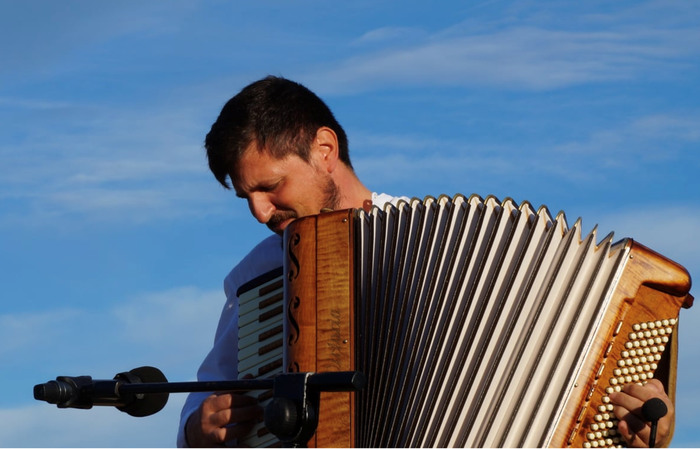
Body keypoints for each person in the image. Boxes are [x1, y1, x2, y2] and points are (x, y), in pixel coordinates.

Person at [177, 75, 674, 448]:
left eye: (270, 186)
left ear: (324, 150)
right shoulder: (258, 274)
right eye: (246, 196)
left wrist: (641, 420)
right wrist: (203, 427)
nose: (260, 212)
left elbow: (596, 391)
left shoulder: (467, 242)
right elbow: (199, 411)